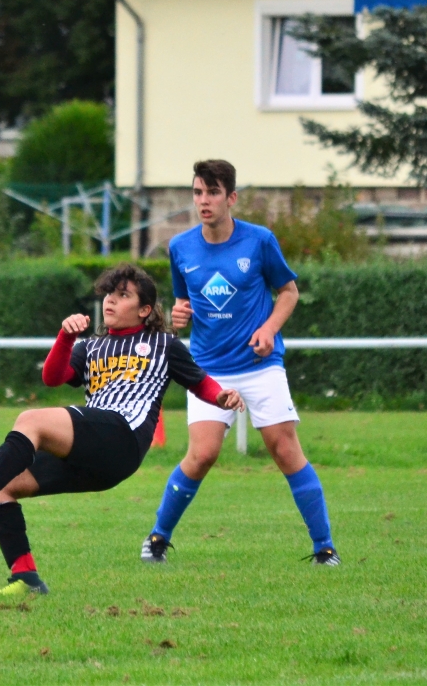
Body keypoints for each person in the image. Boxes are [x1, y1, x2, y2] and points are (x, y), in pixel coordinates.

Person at [0, 264, 245, 596]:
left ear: (144, 310)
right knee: (2, 486)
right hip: (97, 454)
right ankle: (26, 577)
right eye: (109, 294)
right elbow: (52, 378)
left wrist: (221, 396)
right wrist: (66, 337)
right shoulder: (90, 346)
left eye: (123, 295)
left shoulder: (164, 344)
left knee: (30, 420)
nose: (110, 300)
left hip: (124, 437)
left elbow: (200, 383)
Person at [140, 159, 340, 566]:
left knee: (285, 450)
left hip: (260, 365)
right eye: (198, 192)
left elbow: (288, 292)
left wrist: (268, 329)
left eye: (213, 193)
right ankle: (157, 538)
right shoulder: (180, 247)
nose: (204, 201)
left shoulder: (259, 240)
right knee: (202, 455)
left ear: (231, 198)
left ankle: (325, 548)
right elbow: (183, 302)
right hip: (208, 369)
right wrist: (179, 314)